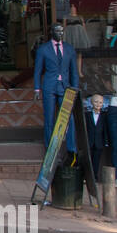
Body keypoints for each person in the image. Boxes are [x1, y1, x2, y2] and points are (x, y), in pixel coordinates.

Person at [33, 23, 79, 154]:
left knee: (68, 117)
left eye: (62, 31)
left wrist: (75, 88)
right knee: (49, 117)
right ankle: (50, 149)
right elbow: (37, 71)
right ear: (51, 32)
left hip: (66, 87)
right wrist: (37, 88)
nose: (60, 33)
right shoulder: (43, 49)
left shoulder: (69, 49)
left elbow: (74, 71)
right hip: (49, 86)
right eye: (57, 31)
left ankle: (71, 149)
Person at [84, 93, 110, 183]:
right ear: (91, 102)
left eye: (100, 102)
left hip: (99, 142)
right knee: (88, 160)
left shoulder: (104, 116)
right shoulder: (87, 115)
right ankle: (86, 177)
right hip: (89, 141)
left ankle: (94, 177)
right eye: (96, 102)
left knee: (96, 161)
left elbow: (105, 130)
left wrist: (106, 141)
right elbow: (85, 128)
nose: (98, 104)